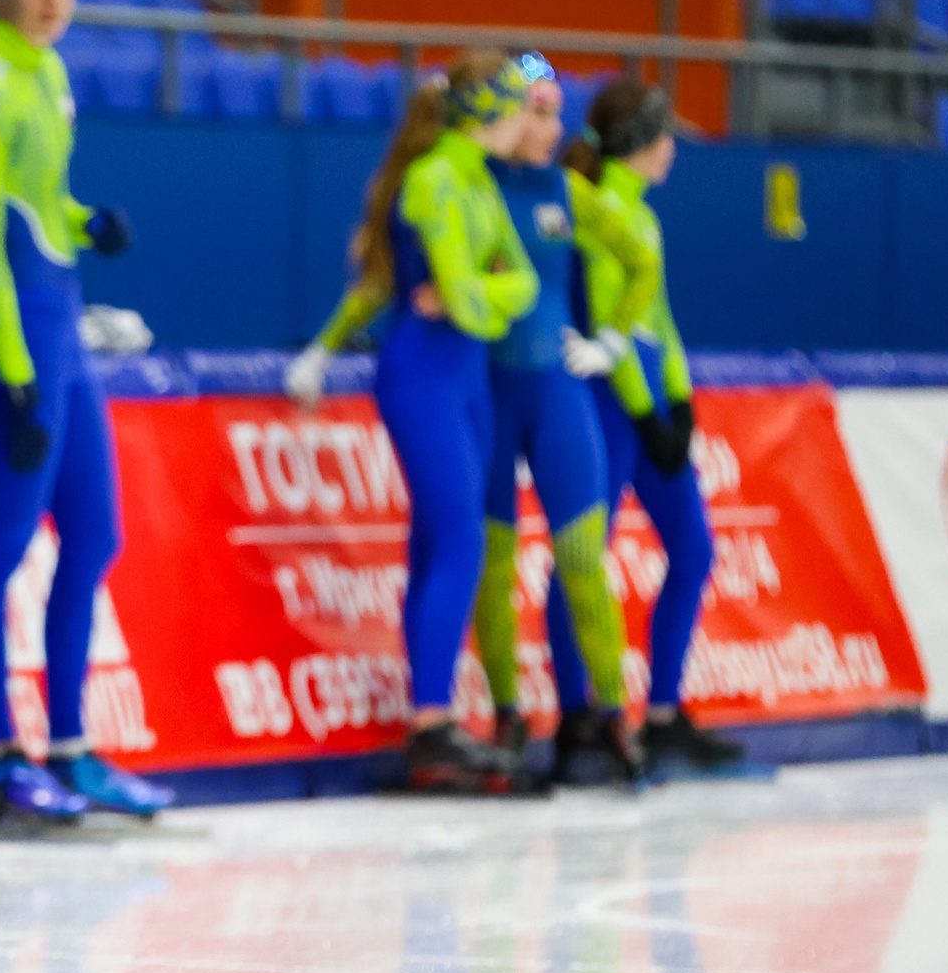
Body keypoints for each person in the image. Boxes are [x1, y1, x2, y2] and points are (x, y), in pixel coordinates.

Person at [0, 0, 171, 825]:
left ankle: (69, 749)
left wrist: (87, 223)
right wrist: (14, 369)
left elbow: (40, 206)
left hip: (61, 329)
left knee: (96, 535)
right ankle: (1, 759)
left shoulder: (50, 73)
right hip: (17, 338)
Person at [283, 53, 544, 796]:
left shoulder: (478, 183)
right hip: (425, 376)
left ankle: (434, 720)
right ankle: (432, 723)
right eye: (521, 104)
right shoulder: (434, 180)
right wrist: (484, 294)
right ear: (491, 111)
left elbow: (513, 284)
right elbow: (469, 295)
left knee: (438, 541)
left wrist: (481, 293)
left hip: (464, 378)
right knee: (459, 539)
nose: (530, 119)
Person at [545, 78, 746, 772]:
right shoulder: (601, 212)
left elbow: (659, 321)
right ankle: (577, 715)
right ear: (642, 144)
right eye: (666, 135)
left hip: (652, 408)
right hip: (611, 408)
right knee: (580, 561)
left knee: (693, 549)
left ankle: (662, 711)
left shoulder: (645, 218)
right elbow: (611, 326)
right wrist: (642, 407)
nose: (674, 148)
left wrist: (681, 400)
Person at [467, 56, 649, 786]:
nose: (547, 126)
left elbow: (643, 261)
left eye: (554, 111)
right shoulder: (471, 184)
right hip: (487, 394)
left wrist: (610, 340)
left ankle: (611, 715)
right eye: (533, 110)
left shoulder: (568, 191)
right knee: (495, 565)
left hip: (556, 393)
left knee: (581, 561)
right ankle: (509, 715)